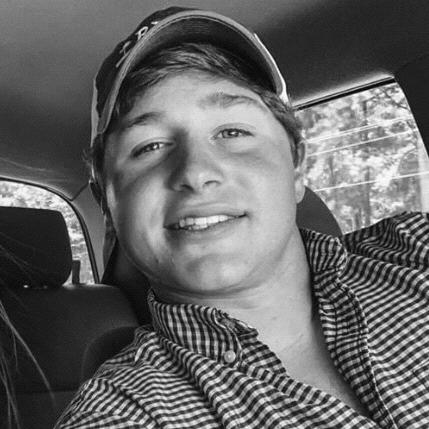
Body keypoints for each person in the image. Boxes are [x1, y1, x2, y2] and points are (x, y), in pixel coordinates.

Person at [56, 6, 429, 428]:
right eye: (149, 147)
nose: (196, 173)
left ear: (296, 167)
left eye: (232, 132)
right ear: (107, 201)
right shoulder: (119, 414)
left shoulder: (414, 249)